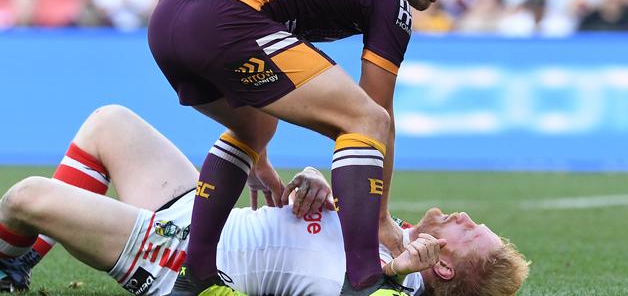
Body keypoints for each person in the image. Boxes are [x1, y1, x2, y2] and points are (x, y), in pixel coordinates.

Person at [147, 0, 471, 294]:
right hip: (224, 17)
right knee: (367, 120)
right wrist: (380, 219)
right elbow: (379, 113)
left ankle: (197, 275)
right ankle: (364, 278)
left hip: (167, 18)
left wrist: (256, 152)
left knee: (256, 125)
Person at [0, 105, 529, 296]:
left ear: (443, 270)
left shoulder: (392, 281)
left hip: (175, 256)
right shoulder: (392, 238)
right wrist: (311, 183)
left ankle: (7, 259)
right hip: (205, 215)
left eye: (470, 231)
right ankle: (23, 261)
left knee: (25, 196)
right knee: (109, 122)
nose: (463, 216)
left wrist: (390, 277)